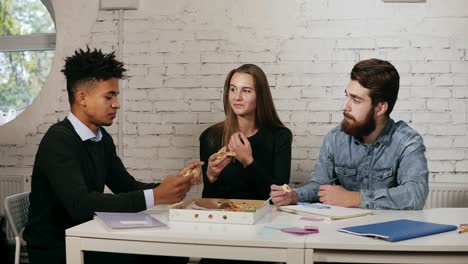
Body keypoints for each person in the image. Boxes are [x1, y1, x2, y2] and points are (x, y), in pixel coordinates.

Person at [23, 47, 202, 264]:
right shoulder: (58, 140)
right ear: (82, 98)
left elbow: (126, 186)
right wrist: (156, 195)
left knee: (172, 253)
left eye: (115, 96)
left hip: (89, 234)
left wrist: (173, 185)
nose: (116, 104)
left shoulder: (101, 138)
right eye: (109, 96)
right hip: (58, 248)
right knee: (161, 257)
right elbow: (80, 205)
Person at [270, 58, 429, 210]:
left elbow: (416, 193)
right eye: (347, 96)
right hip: (341, 233)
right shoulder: (335, 138)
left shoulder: (407, 141)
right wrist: (294, 196)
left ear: (380, 108)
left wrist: (354, 198)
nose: (345, 107)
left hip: (388, 232)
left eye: (356, 100)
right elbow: (320, 185)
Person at [200, 63, 292, 201]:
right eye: (233, 89)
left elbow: (279, 196)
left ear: (260, 96)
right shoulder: (210, 137)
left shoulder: (280, 136)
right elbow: (209, 200)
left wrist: (249, 162)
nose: (237, 97)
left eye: (246, 91)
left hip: (266, 218)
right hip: (226, 218)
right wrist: (211, 177)